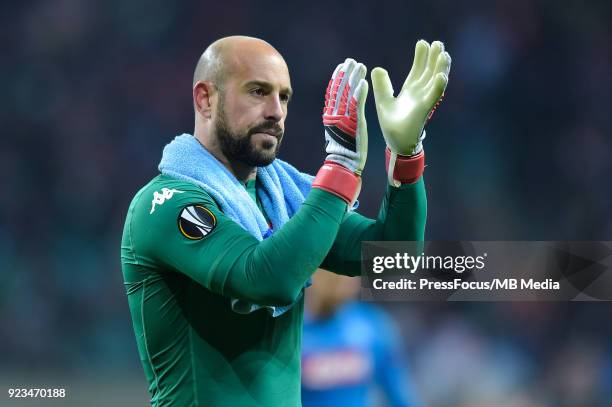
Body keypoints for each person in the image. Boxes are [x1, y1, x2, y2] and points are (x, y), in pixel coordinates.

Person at [120, 35, 450, 406]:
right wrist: (340, 166)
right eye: (258, 92)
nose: (275, 111)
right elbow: (265, 279)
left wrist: (407, 156)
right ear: (205, 99)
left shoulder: (283, 198)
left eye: (284, 97)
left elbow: (393, 257)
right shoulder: (165, 205)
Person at [302, 270, 420, 407]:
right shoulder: (292, 332)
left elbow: (400, 394)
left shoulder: (372, 325)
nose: (342, 279)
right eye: (333, 273)